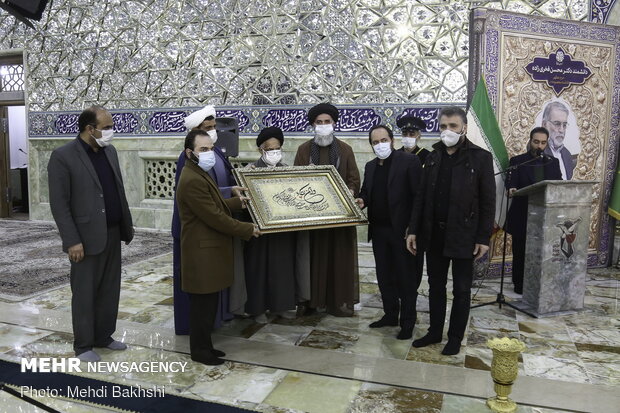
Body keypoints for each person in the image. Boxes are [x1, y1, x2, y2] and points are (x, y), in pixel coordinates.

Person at [48, 105, 134, 362]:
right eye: (106, 127)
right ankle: (83, 345)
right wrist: (72, 240)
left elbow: (117, 189)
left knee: (110, 289)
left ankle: (103, 336)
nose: (111, 132)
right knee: (85, 293)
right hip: (84, 238)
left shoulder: (110, 152)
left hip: (112, 232)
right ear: (90, 129)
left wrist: (126, 224)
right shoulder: (63, 156)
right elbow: (59, 205)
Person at [408, 106, 495, 355]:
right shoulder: (432, 156)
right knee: (436, 286)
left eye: (453, 126)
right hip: (433, 234)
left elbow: (488, 202)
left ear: (464, 128)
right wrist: (413, 230)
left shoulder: (480, 158)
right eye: (443, 126)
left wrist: (483, 237)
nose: (448, 131)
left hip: (464, 236)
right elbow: (421, 197)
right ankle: (435, 331)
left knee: (461, 289)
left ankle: (455, 337)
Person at [176, 129, 259, 366]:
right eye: (203, 150)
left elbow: (214, 203)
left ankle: (206, 347)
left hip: (209, 251)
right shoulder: (191, 179)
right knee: (202, 307)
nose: (208, 153)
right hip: (202, 253)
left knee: (208, 304)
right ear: (189, 152)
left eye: (210, 148)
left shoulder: (198, 173)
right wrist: (247, 229)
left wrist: (236, 201)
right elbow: (214, 216)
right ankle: (199, 351)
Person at [171, 105, 240, 335]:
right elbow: (202, 195)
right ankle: (194, 333)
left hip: (211, 227)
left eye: (213, 127)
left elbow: (219, 183)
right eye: (207, 128)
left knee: (211, 284)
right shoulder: (188, 159)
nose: (212, 131)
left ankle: (213, 326)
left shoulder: (214, 151)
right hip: (195, 229)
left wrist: (233, 188)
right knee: (198, 286)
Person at [294, 103, 361, 317]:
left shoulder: (345, 150)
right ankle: (310, 302)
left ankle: (338, 302)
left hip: (339, 217)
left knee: (338, 258)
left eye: (327, 122)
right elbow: (295, 181)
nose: (323, 126)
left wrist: (349, 191)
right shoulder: (304, 150)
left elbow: (353, 179)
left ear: (334, 124)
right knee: (311, 257)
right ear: (313, 125)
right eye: (319, 122)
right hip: (312, 217)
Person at [355, 125, 422, 340]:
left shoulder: (408, 162)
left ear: (392, 140)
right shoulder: (371, 166)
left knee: (406, 278)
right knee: (384, 277)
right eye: (375, 142)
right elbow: (367, 191)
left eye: (383, 140)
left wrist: (413, 228)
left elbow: (418, 197)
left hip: (401, 232)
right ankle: (390, 314)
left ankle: (407, 322)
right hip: (379, 230)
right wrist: (362, 199)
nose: (380, 145)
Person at [244, 126, 299, 322]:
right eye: (270, 149)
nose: (275, 153)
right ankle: (257, 310)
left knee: (282, 268)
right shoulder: (250, 171)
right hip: (259, 231)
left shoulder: (286, 170)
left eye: (278, 149)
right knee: (258, 270)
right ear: (261, 150)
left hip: (282, 231)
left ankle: (280, 307)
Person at [505, 127, 562, 294]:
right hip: (522, 213)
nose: (539, 146)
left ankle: (540, 282)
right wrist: (511, 189)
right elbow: (511, 183)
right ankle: (519, 284)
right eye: (536, 142)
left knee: (542, 251)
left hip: (544, 215)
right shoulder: (518, 161)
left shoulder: (553, 162)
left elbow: (558, 185)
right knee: (520, 251)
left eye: (543, 143)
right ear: (530, 141)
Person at [541, 101, 575, 180]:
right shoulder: (537, 152)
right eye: (557, 124)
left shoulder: (567, 155)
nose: (561, 130)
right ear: (544, 124)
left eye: (564, 125)